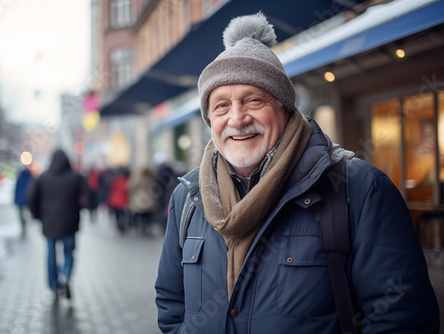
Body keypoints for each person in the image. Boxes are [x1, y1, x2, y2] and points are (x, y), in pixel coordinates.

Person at [155, 13, 439, 333]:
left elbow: (401, 318)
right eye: (221, 105)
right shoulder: (188, 196)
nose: (237, 119)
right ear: (210, 118)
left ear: (285, 109)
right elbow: (171, 301)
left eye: (254, 99)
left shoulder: (359, 188)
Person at [27, 149, 86, 299]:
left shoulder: (43, 178)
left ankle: (54, 286)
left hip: (49, 224)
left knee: (51, 254)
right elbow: (88, 197)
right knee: (69, 253)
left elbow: (30, 198)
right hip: (70, 223)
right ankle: (65, 276)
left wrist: (38, 216)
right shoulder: (76, 178)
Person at [129, 166, 158, 235]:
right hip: (150, 199)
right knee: (149, 215)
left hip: (141, 200)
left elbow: (133, 188)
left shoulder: (140, 179)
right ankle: (148, 227)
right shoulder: (152, 179)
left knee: (141, 214)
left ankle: (142, 227)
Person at [14, 166, 33, 236]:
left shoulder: (20, 178)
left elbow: (16, 191)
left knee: (22, 216)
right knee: (27, 215)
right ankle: (25, 225)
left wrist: (15, 200)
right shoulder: (30, 178)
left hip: (21, 201)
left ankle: (24, 226)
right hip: (27, 200)